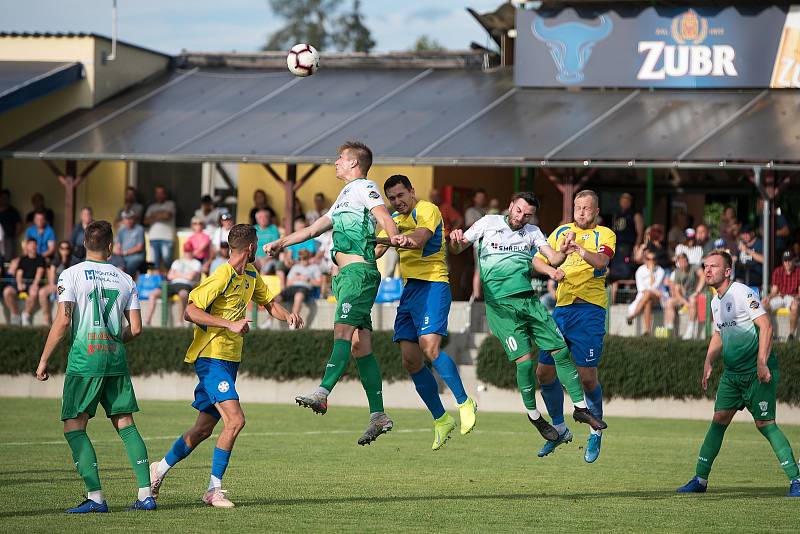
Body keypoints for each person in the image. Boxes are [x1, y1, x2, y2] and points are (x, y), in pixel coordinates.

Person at [148, 224, 302, 508]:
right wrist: (230, 323)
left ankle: (158, 471)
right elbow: (189, 310)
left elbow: (270, 304)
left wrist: (288, 315)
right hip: (211, 359)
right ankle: (212, 489)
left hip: (230, 361)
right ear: (252, 247)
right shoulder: (222, 274)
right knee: (236, 420)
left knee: (203, 430)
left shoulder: (251, 275)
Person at [264, 141, 406, 445]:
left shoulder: (364, 187)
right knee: (359, 345)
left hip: (358, 275)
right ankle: (378, 414)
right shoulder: (344, 195)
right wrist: (282, 243)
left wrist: (394, 235)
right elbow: (314, 229)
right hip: (346, 278)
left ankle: (323, 392)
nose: (335, 163)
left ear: (354, 164)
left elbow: (382, 214)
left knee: (342, 332)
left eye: (340, 159)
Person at [449, 192, 607, 445]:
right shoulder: (488, 223)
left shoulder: (533, 231)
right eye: (518, 211)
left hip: (529, 302)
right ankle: (535, 416)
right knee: (524, 365)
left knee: (560, 351)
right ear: (510, 205)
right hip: (501, 308)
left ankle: (580, 408)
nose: (521, 217)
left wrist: (563, 252)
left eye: (527, 214)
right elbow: (458, 247)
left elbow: (553, 258)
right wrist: (455, 239)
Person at [35, 220, 155, 512]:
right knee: (126, 424)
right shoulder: (126, 279)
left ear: (84, 245)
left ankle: (95, 498)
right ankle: (145, 495)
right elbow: (136, 329)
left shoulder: (70, 275)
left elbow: (64, 320)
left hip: (84, 361)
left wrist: (43, 360)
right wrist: (114, 340)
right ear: (111, 247)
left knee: (74, 426)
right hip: (115, 360)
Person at [677, 249, 800, 497]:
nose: (707, 270)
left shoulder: (742, 292)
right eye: (705, 266)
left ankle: (796, 480)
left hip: (756, 373)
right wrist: (708, 360)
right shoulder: (715, 301)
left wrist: (762, 362)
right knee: (718, 420)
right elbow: (719, 334)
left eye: (714, 266)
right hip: (732, 376)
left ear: (728, 271)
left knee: (765, 424)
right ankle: (700, 479)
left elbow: (765, 326)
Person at [375, 175, 478, 450]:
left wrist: (397, 239)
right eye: (392, 198)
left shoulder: (427, 209)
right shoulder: (393, 219)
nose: (397, 201)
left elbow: (420, 238)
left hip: (434, 285)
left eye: (400, 195)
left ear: (411, 191)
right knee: (410, 360)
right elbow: (376, 249)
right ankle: (441, 419)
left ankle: (464, 402)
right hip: (409, 291)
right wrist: (357, 240)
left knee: (429, 347)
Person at [532, 190, 616, 462]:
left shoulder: (604, 234)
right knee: (544, 372)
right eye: (578, 207)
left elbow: (603, 261)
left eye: (586, 208)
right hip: (562, 311)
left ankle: (596, 432)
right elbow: (538, 259)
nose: (581, 212)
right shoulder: (561, 232)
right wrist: (551, 270)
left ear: (596, 211)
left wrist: (578, 248)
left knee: (587, 377)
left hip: (590, 310)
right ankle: (559, 428)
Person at [145, 242, 202, 326]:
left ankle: (180, 321)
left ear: (192, 251)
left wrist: (177, 274)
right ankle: (147, 320)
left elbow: (191, 277)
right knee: (153, 294)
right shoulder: (177, 262)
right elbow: (170, 276)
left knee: (183, 294)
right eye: (186, 251)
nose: (187, 253)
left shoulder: (196, 263)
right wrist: (184, 275)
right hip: (172, 284)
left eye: (189, 251)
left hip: (185, 285)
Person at [2, 238, 46, 326]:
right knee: (7, 291)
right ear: (27, 246)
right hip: (22, 284)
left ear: (37, 246)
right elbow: (19, 273)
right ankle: (15, 315)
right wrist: (19, 284)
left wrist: (34, 284)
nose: (33, 247)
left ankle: (26, 315)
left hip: (33, 284)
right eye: (31, 245)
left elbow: (39, 272)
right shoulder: (23, 259)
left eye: (34, 245)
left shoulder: (40, 259)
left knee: (33, 292)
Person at [762, 250, 800, 341]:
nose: (787, 263)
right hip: (780, 296)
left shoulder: (798, 272)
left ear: (794, 260)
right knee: (764, 305)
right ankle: (771, 334)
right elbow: (774, 291)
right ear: (783, 261)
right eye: (785, 261)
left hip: (792, 296)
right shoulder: (778, 271)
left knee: (795, 306)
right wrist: (768, 297)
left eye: (789, 260)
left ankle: (791, 335)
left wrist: (797, 299)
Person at [39, 241, 80, 324]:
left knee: (60, 293)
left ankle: (61, 318)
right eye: (62, 248)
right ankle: (47, 317)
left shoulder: (73, 261)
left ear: (69, 250)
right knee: (42, 292)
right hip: (55, 284)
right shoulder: (55, 260)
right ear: (59, 249)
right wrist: (53, 285)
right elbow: (52, 275)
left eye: (66, 248)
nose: (64, 250)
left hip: (68, 286)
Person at [626, 251, 666, 334]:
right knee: (648, 300)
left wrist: (651, 272)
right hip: (645, 297)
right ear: (645, 260)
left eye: (653, 259)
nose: (651, 261)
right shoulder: (640, 270)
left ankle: (633, 315)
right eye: (648, 259)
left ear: (656, 260)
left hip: (657, 298)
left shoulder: (660, 271)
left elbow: (655, 286)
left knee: (648, 294)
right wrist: (651, 290)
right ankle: (647, 331)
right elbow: (641, 289)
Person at [665, 253, 702, 340]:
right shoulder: (677, 272)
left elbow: (703, 276)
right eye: (680, 261)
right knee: (669, 302)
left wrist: (697, 291)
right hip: (684, 298)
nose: (683, 263)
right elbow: (676, 291)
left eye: (684, 261)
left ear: (687, 261)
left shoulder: (694, 267)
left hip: (695, 295)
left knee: (692, 300)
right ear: (678, 262)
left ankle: (690, 329)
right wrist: (685, 303)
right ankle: (670, 328)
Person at [277, 249, 321, 318]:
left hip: (305, 289)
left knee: (298, 296)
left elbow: (319, 283)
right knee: (277, 298)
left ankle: (294, 322)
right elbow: (288, 284)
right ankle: (269, 321)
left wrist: (308, 279)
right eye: (300, 258)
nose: (302, 260)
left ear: (309, 258)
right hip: (292, 288)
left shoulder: (314, 267)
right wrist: (296, 278)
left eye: (305, 258)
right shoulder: (295, 267)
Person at [143, 186, 176, 273]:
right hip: (153, 237)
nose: (159, 195)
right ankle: (156, 283)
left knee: (167, 261)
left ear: (165, 195)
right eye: (157, 193)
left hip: (167, 238)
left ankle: (169, 281)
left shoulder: (170, 204)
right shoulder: (151, 207)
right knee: (154, 264)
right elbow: (145, 221)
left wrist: (153, 216)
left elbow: (167, 216)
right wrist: (160, 214)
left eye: (161, 193)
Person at [464, 188, 488, 302]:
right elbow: (470, 226)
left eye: (483, 197)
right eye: (479, 197)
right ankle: (476, 296)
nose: (481, 200)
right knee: (478, 269)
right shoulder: (471, 211)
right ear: (474, 198)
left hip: (490, 245)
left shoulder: (487, 211)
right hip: (478, 243)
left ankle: (481, 295)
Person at [114, 210, 146, 276]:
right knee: (112, 264)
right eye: (126, 218)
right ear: (123, 220)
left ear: (134, 219)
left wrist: (125, 252)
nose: (128, 221)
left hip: (136, 256)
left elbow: (140, 247)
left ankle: (128, 285)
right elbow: (118, 244)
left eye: (130, 218)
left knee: (129, 267)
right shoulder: (121, 230)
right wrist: (117, 249)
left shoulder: (139, 229)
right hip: (122, 257)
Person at [735, 224, 764, 291]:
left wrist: (747, 250)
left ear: (752, 233)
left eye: (747, 233)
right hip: (741, 279)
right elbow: (736, 259)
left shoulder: (760, 243)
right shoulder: (741, 244)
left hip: (756, 279)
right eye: (743, 234)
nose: (745, 236)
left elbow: (764, 260)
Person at [0, 189, 23, 260]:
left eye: (6, 198)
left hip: (8, 239)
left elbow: (19, 225)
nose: (4, 199)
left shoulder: (13, 211)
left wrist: (13, 236)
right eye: (2, 197)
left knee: (8, 259)